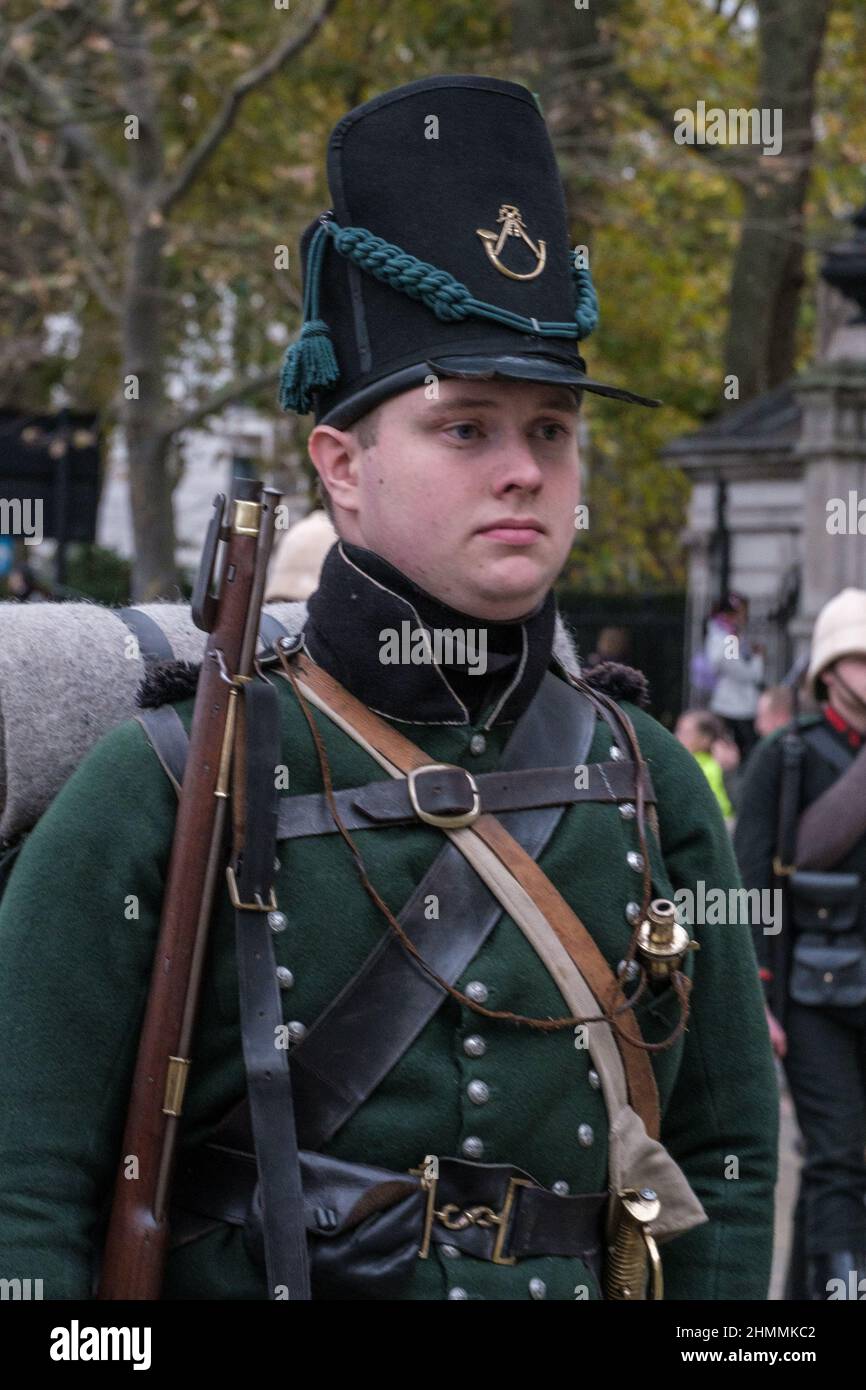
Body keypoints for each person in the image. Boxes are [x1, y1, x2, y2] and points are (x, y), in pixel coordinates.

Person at [0, 73, 777, 1302]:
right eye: (466, 428)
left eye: (552, 430)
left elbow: (728, 1162)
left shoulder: (648, 777)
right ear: (341, 465)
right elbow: (24, 1187)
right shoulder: (166, 773)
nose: (523, 470)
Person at [734, 587, 866, 1299]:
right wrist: (760, 1001)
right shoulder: (785, 758)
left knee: (839, 1163)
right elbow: (749, 884)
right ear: (829, 671)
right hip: (810, 995)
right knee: (839, 1152)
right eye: (860, 658)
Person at [704, 593, 764, 758]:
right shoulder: (729, 637)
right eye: (743, 612)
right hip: (735, 706)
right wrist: (757, 660)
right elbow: (735, 668)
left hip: (732, 703)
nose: (745, 617)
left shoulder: (725, 634)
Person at [674, 710, 737, 825]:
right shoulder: (682, 761)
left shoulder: (711, 767)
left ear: (705, 739)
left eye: (686, 733)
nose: (678, 737)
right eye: (678, 731)